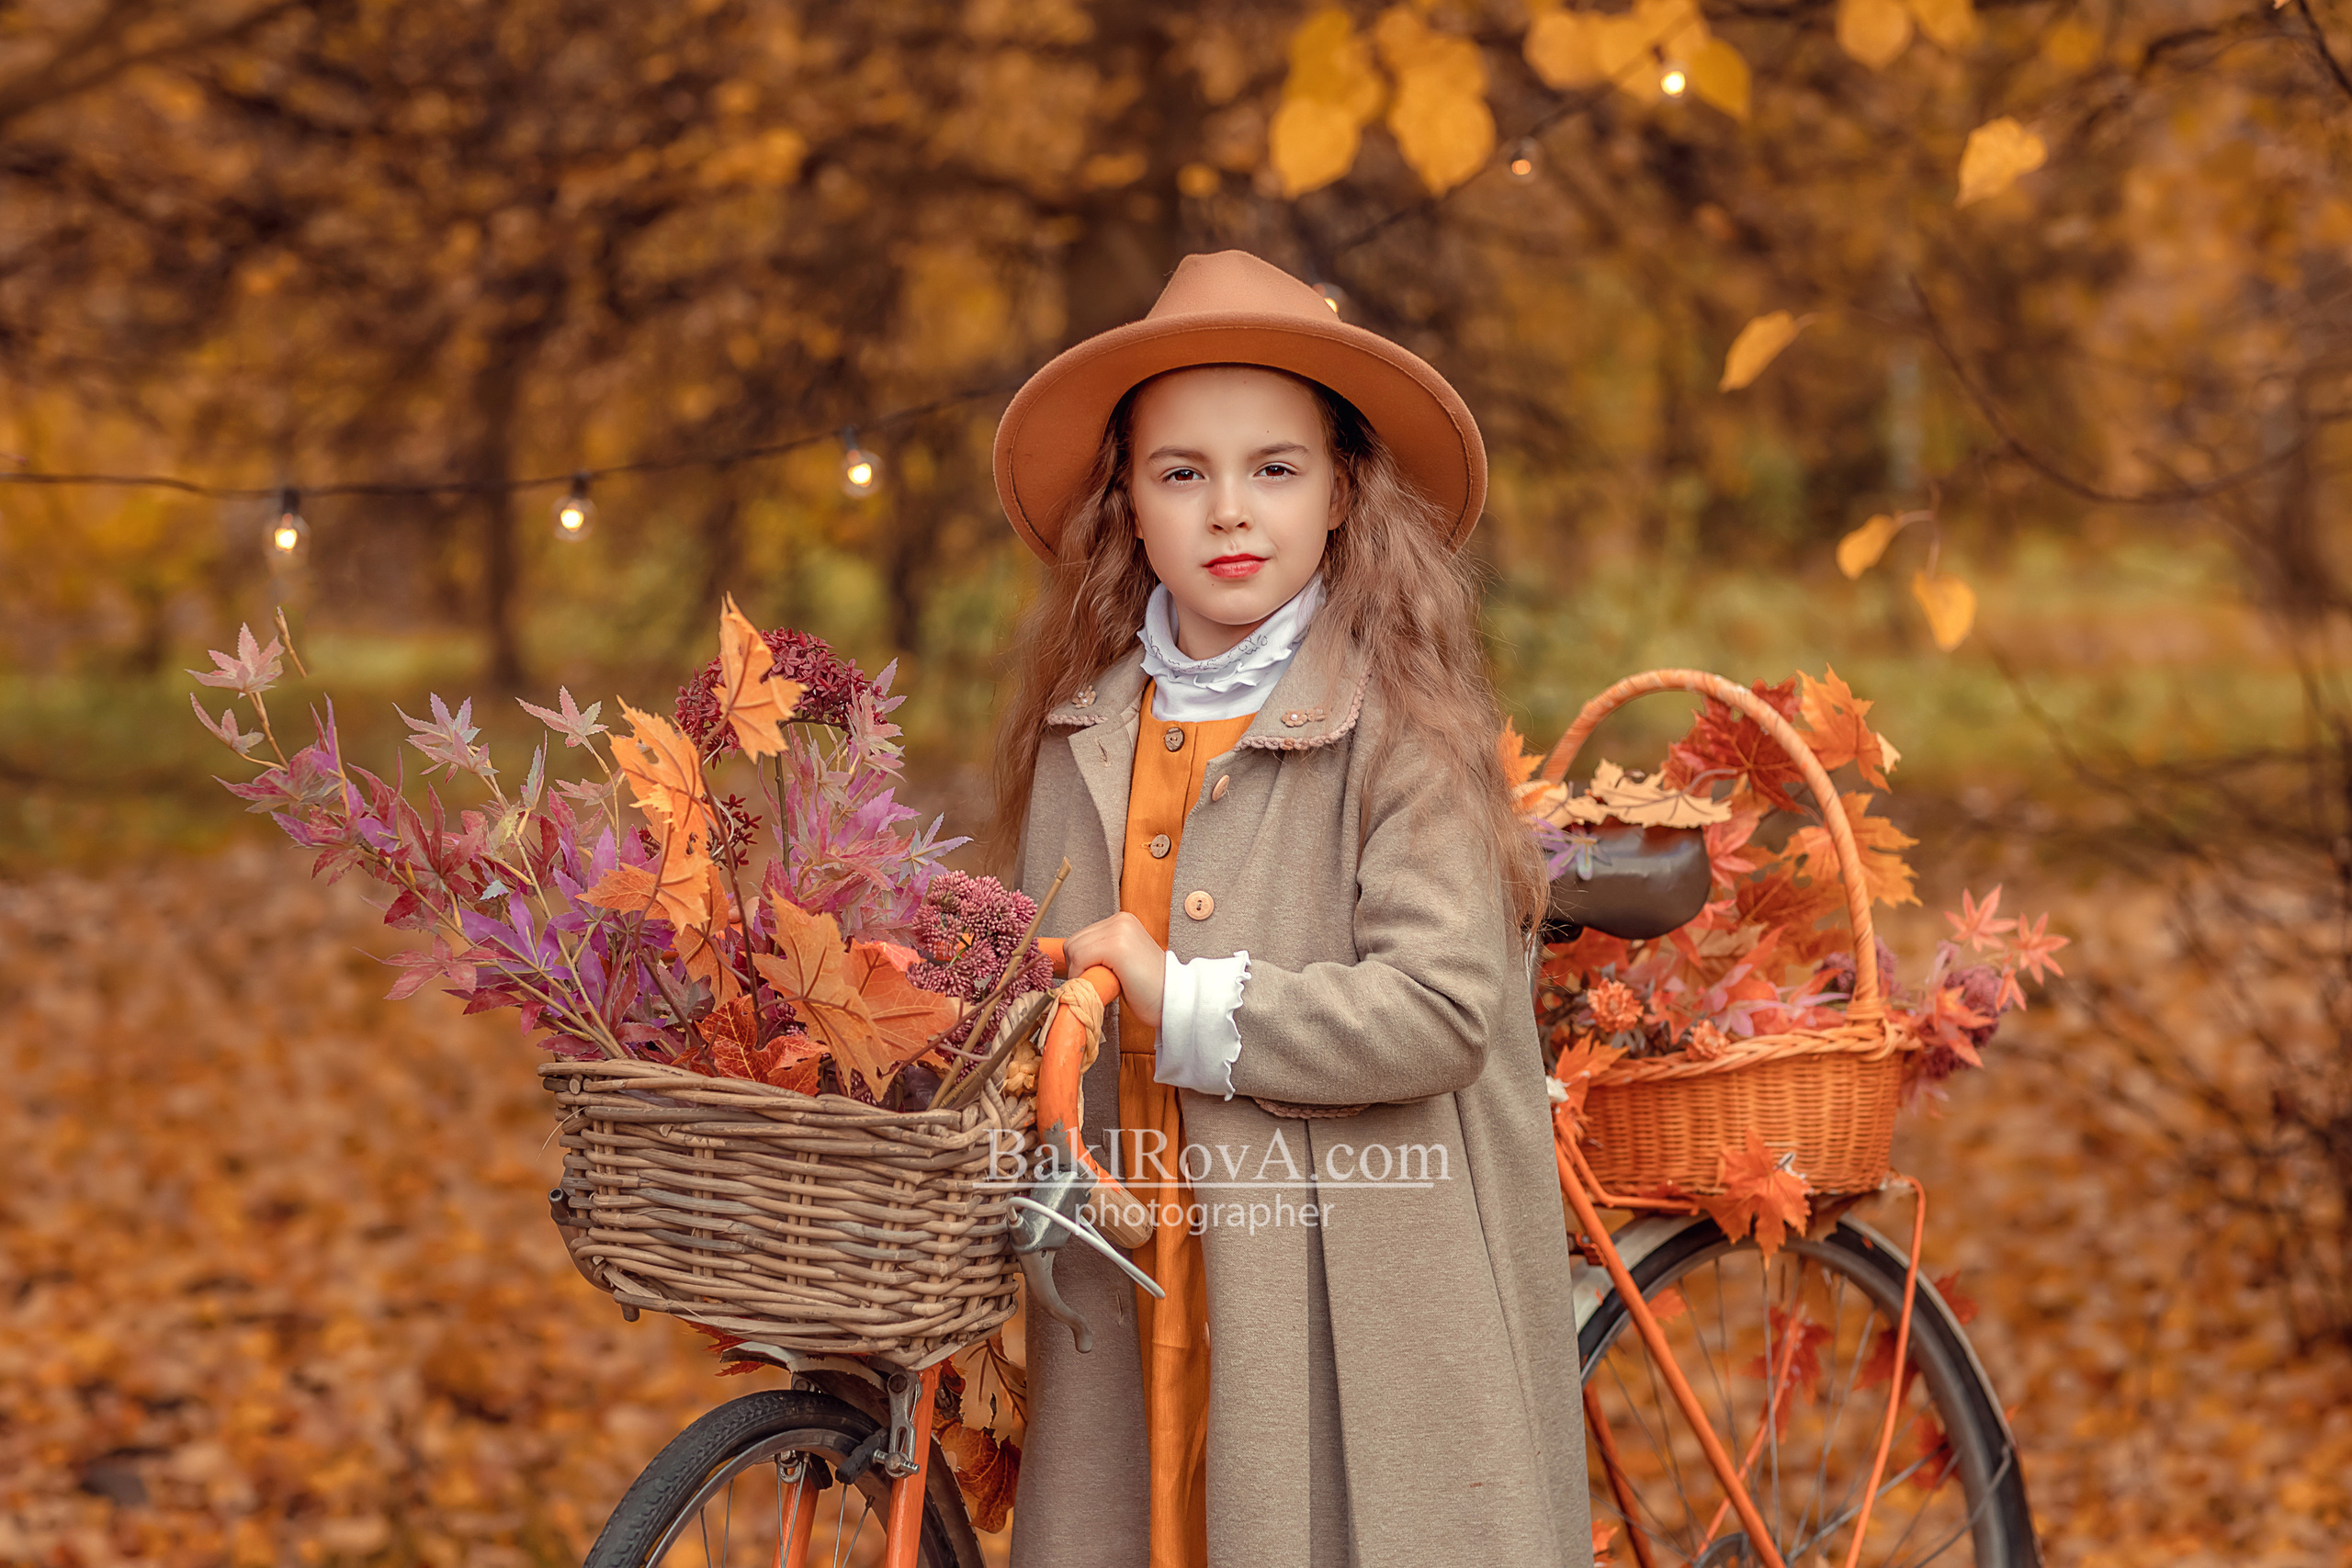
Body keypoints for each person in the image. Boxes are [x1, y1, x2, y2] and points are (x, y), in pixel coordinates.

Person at [989, 251, 1590, 1568]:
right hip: (1129, 1279)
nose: (1229, 511)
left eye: (1274, 468)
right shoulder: (1083, 736)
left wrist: (1186, 1000)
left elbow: (1440, 1010)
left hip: (1342, 1281)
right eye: (1180, 473)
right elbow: (1026, 1001)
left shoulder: (1402, 730)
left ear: (1341, 495)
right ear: (1125, 505)